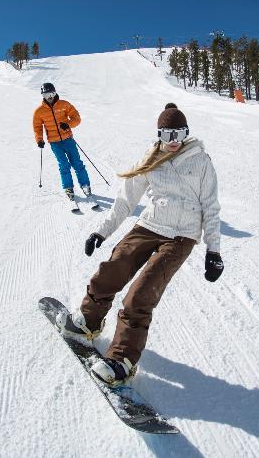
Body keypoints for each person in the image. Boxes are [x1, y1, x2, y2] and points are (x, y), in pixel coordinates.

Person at [57, 103, 224, 386]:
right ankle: (90, 320)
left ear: (187, 133)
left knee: (141, 294)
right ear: (159, 134)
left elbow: (211, 206)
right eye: (167, 135)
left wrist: (214, 250)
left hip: (181, 235)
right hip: (150, 224)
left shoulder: (201, 161)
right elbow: (125, 200)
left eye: (179, 134)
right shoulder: (152, 156)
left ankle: (122, 359)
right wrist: (101, 232)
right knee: (113, 268)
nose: (173, 142)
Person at [33, 83, 91, 198]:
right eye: (46, 95)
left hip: (68, 139)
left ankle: (85, 185)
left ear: (55, 93)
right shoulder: (39, 112)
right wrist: (39, 139)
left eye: (51, 94)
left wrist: (68, 124)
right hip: (54, 143)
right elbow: (37, 127)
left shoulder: (64, 104)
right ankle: (68, 188)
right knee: (63, 165)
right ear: (43, 96)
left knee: (77, 163)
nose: (49, 97)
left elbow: (76, 118)